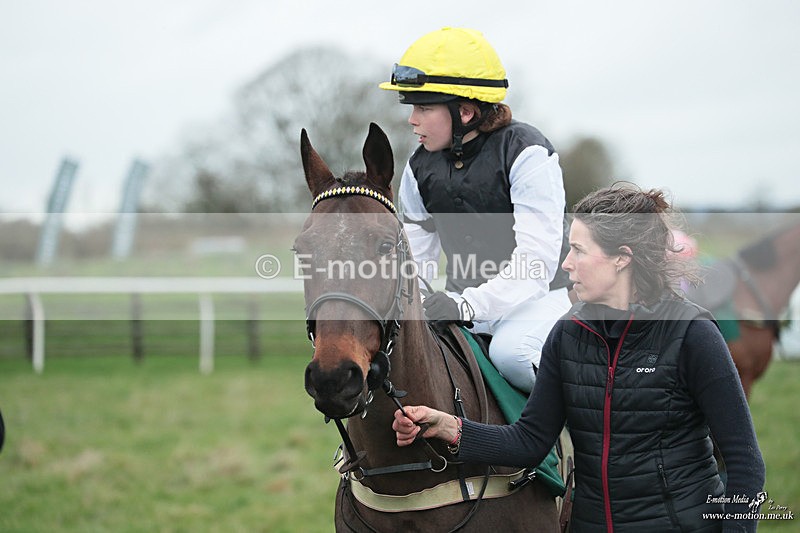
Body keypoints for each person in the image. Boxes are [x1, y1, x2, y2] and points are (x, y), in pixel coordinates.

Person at [393, 184, 766, 532]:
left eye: (578, 250)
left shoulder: (692, 334)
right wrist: (447, 426)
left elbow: (745, 464)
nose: (566, 264)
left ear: (622, 258)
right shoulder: (568, 334)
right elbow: (529, 442)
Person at [380, 27, 572, 393]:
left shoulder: (527, 153)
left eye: (423, 107)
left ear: (464, 111)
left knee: (511, 353)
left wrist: (468, 306)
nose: (412, 120)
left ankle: (585, 435)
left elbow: (536, 266)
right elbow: (416, 263)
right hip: (464, 302)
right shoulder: (418, 168)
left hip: (544, 298)